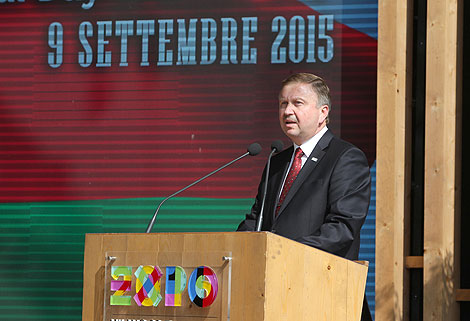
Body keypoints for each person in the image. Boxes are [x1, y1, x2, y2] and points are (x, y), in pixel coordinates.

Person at [237, 72, 372, 320]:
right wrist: (237, 248)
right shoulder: (276, 162)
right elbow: (256, 220)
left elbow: (342, 228)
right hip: (275, 296)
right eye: (283, 103)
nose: (287, 111)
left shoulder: (345, 158)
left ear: (323, 112)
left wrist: (282, 254)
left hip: (324, 293)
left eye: (297, 103)